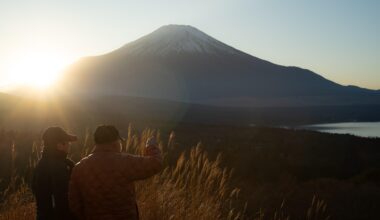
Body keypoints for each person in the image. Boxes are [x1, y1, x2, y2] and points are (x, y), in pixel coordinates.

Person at [69, 125, 162, 220]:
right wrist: (151, 147)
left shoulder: (79, 168)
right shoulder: (124, 162)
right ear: (115, 142)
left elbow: (74, 203)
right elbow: (156, 163)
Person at [32, 126, 78, 220]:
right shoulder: (59, 167)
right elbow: (62, 201)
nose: (69, 145)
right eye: (67, 142)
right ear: (59, 145)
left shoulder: (40, 165)